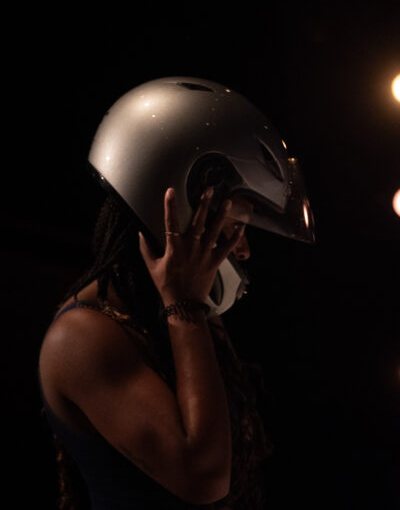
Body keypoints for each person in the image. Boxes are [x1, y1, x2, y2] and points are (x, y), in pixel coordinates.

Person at [37, 76, 315, 510]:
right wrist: (185, 306)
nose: (243, 249)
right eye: (236, 226)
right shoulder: (81, 337)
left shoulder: (175, 310)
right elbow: (205, 478)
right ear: (179, 211)